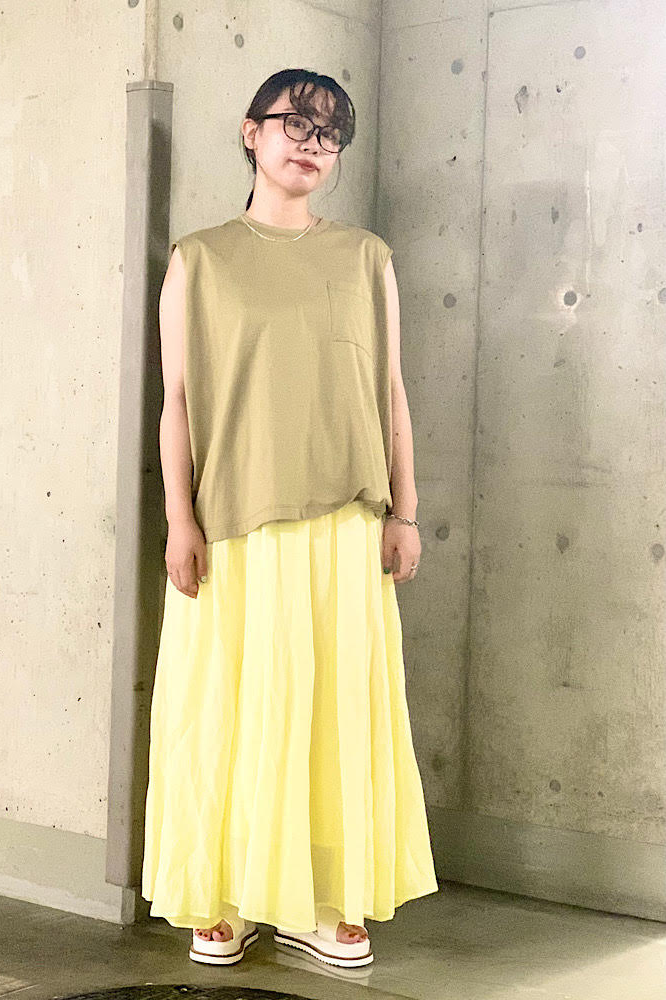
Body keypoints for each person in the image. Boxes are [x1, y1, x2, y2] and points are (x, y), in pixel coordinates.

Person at [141, 68, 439, 968]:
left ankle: (319, 899)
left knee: (329, 713)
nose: (313, 144)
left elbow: (389, 389)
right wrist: (179, 520)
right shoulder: (199, 258)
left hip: (345, 523)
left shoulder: (366, 257)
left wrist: (405, 510)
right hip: (235, 523)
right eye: (295, 124)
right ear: (251, 132)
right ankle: (230, 896)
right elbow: (177, 401)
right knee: (233, 712)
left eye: (330, 132)